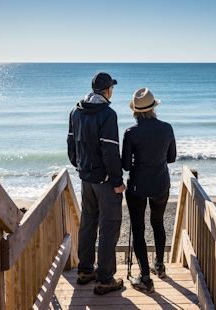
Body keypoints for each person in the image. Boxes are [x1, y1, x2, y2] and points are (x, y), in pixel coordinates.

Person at [67, 72, 126, 295]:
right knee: (109, 226)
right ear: (108, 90)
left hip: (86, 178)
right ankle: (104, 279)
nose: (112, 91)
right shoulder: (108, 114)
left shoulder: (76, 111)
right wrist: (118, 181)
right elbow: (110, 151)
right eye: (112, 87)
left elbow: (71, 144)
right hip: (105, 181)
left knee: (89, 223)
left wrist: (81, 166)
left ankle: (84, 271)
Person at [122, 87, 176, 293]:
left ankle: (145, 277)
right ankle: (159, 266)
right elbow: (171, 158)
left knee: (138, 229)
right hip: (161, 183)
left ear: (135, 111)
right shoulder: (167, 128)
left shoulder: (131, 132)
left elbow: (126, 165)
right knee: (158, 223)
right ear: (153, 108)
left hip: (137, 186)